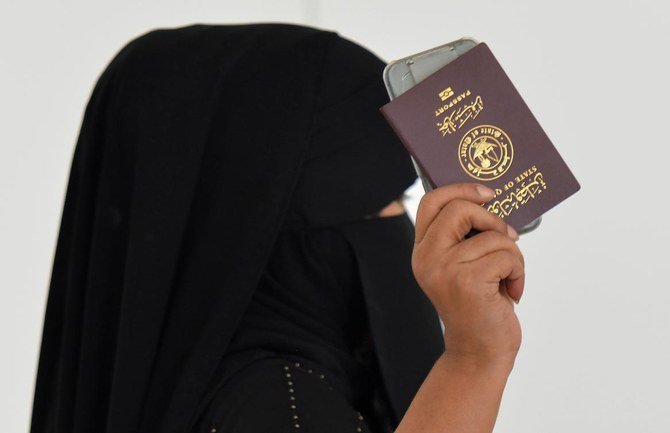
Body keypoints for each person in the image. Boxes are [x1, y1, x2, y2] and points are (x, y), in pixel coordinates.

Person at [29, 23, 524, 433]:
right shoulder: (278, 402)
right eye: (388, 198)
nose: (406, 222)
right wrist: (474, 360)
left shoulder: (194, 394)